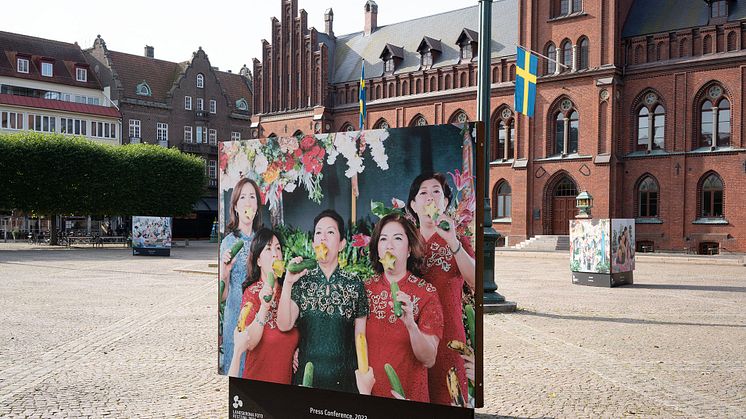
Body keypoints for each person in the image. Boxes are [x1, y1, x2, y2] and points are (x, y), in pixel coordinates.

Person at [277, 209, 370, 393]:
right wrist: (288, 283)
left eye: (330, 232)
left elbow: (361, 339)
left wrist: (364, 380)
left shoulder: (355, 284)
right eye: (318, 232)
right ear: (313, 244)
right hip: (307, 377)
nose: (323, 238)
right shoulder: (302, 281)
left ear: (342, 244)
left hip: (345, 380)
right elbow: (284, 324)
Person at [406, 172, 475, 406]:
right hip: (412, 337)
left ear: (445, 202)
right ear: (413, 205)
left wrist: (453, 242)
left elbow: (475, 282)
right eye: (422, 193)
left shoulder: (458, 240)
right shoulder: (403, 243)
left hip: (450, 336)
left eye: (436, 191)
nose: (430, 197)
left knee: (449, 400)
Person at [362, 213, 443, 402]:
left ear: (409, 250)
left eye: (397, 238)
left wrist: (411, 325)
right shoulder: (364, 289)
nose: (389, 245)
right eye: (383, 239)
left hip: (410, 397)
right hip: (368, 395)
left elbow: (429, 359)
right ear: (377, 248)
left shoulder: (426, 293)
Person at [228, 228, 300, 384]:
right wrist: (264, 307)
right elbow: (249, 342)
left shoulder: (290, 292)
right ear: (258, 261)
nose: (275, 253)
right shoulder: (251, 293)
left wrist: (299, 349)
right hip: (257, 388)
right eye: (268, 248)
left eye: (278, 248)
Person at [220, 177, 263, 375]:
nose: (248, 201)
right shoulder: (228, 243)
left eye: (252, 197)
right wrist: (225, 273)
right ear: (236, 206)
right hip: (235, 318)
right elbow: (222, 296)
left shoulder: (264, 241)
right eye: (243, 197)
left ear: (256, 205)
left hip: (259, 318)